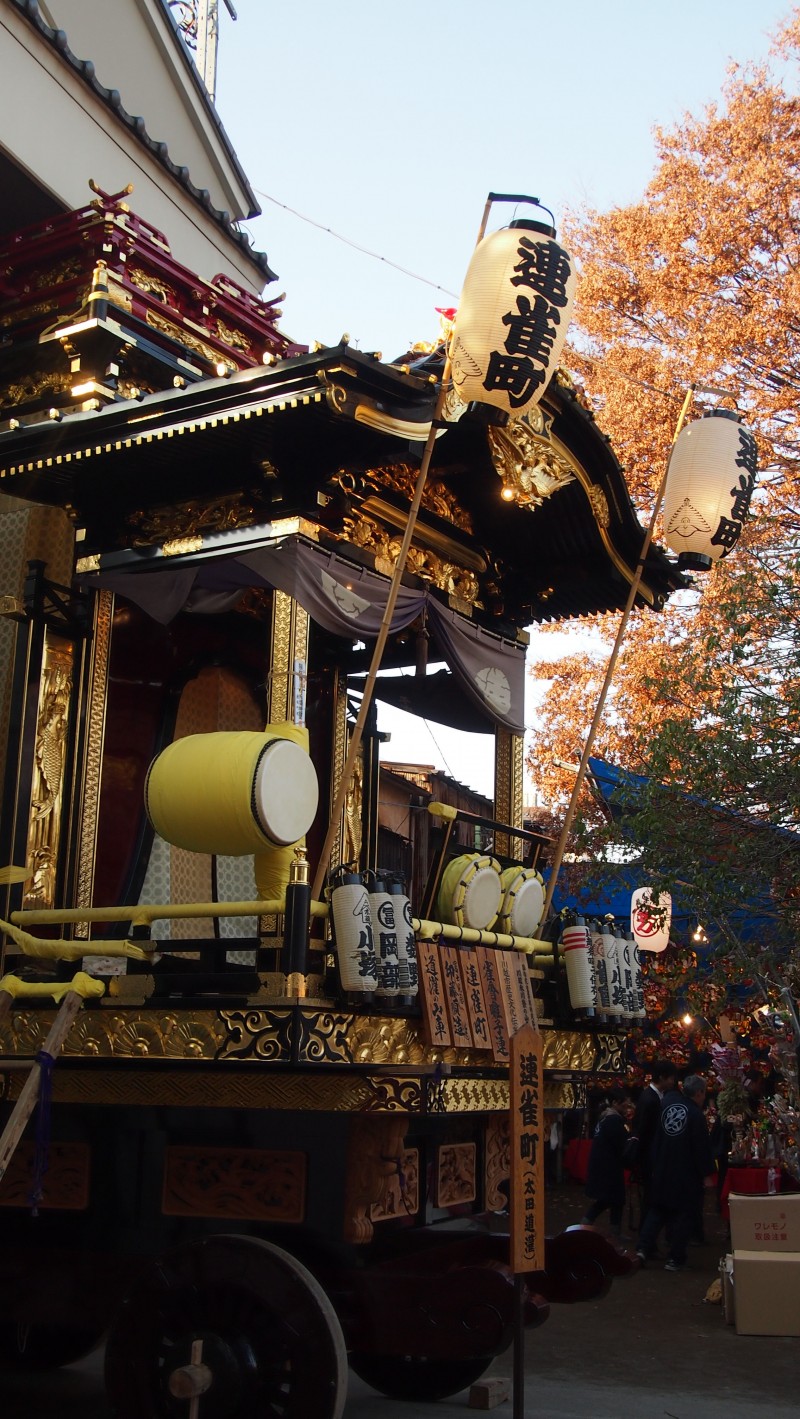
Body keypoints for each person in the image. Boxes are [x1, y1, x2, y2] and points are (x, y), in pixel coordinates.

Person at [637, 1074, 716, 1272]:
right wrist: (706, 1174)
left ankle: (642, 1249)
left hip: (662, 1168)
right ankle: (675, 1258)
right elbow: (701, 1147)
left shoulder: (667, 1106)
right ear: (699, 1093)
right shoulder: (696, 1115)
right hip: (685, 1174)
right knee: (684, 1215)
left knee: (657, 1210)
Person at [632, 1058, 677, 1247]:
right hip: (649, 1160)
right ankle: (646, 1244)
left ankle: (647, 1243)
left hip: (650, 1159)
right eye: (671, 1077)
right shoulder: (651, 1099)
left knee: (650, 1201)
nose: (674, 1081)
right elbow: (643, 1132)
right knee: (650, 1202)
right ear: (663, 1077)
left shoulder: (652, 1096)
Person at [580, 1088, 631, 1241]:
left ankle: (587, 1224)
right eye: (624, 1105)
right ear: (615, 1103)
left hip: (604, 1165)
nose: (626, 1108)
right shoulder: (613, 1120)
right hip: (609, 1167)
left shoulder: (604, 1118)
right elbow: (621, 1142)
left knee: (610, 1200)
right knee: (611, 1199)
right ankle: (596, 1227)